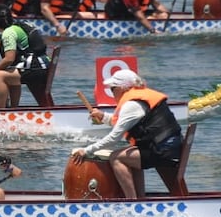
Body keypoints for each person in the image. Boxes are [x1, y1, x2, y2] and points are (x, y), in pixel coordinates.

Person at [70, 68, 183, 199]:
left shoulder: (132, 105)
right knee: (130, 153)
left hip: (163, 151)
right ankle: (139, 198)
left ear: (122, 88)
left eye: (112, 89)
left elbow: (113, 138)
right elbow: (124, 123)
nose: (111, 93)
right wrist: (103, 117)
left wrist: (87, 150)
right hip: (170, 146)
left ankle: (131, 201)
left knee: (116, 157)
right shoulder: (138, 100)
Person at [0, 5, 50, 108]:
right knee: (11, 71)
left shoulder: (8, 33)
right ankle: (13, 108)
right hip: (43, 66)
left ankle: (0, 112)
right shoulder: (19, 26)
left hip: (36, 69)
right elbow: (20, 50)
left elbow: (9, 58)